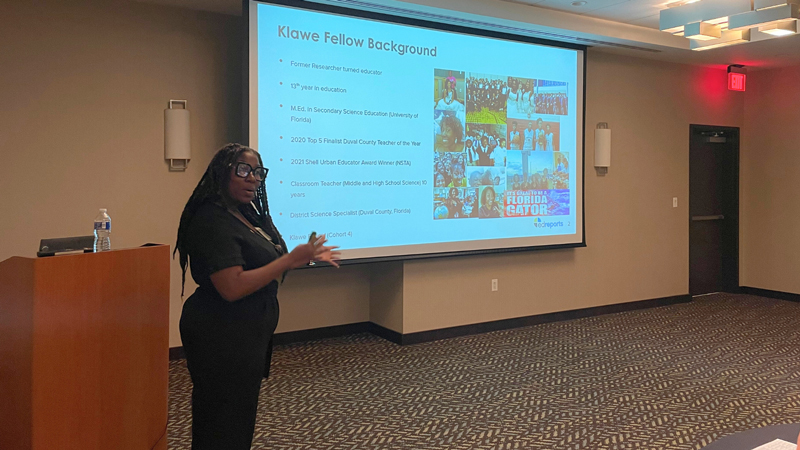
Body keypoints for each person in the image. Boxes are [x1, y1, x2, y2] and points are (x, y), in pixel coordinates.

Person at [174, 143, 340, 450]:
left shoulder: (244, 213)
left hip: (246, 333)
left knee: (237, 418)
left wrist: (298, 256)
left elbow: (267, 256)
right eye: (243, 170)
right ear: (222, 173)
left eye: (258, 172)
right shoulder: (211, 220)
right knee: (221, 421)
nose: (253, 178)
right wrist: (289, 260)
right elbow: (232, 287)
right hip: (220, 334)